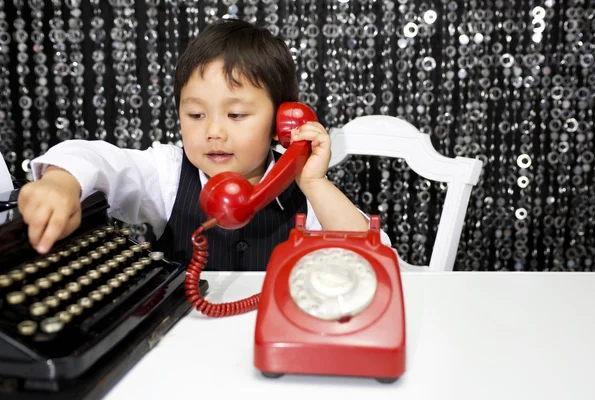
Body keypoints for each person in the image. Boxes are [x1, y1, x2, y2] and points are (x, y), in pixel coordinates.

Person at [18, 19, 392, 271]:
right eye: (196, 115)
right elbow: (101, 159)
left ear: (281, 121)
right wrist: (60, 181)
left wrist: (314, 183)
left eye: (236, 115)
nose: (214, 131)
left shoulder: (298, 187)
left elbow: (373, 258)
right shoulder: (167, 173)